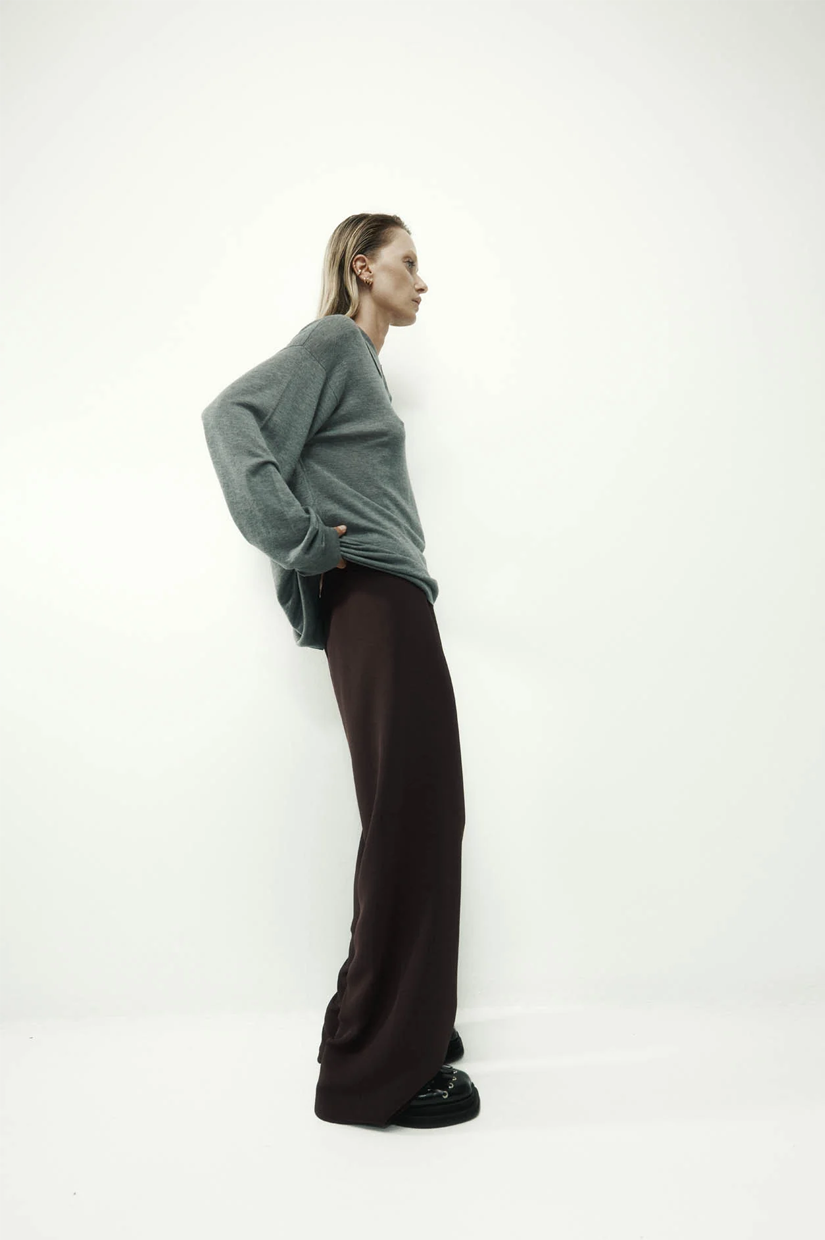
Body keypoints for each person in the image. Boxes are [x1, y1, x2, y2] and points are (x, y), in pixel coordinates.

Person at [200, 213, 480, 1129]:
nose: (421, 280)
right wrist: (305, 542)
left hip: (389, 599)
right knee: (413, 812)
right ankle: (376, 1069)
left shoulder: (361, 366)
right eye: (408, 261)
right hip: (373, 597)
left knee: (416, 810)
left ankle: (398, 1022)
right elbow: (230, 419)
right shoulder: (331, 343)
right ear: (363, 267)